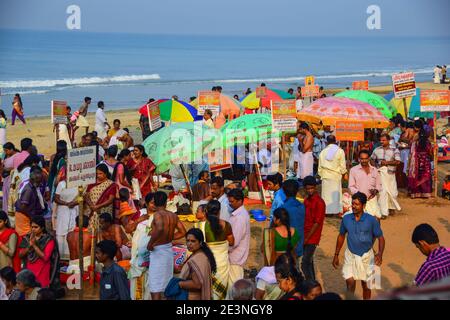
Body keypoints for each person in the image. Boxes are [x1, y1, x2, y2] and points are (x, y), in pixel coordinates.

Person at [332, 192, 385, 300]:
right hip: (350, 255)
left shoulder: (371, 220)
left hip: (367, 256)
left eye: (357, 204)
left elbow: (381, 238)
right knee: (350, 284)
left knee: (366, 286)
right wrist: (336, 254)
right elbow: (341, 236)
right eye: (353, 204)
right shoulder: (346, 219)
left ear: (364, 206)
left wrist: (380, 254)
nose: (354, 206)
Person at [146, 191, 186, 300]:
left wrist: (151, 243)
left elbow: (159, 228)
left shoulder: (157, 214)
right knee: (166, 285)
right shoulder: (173, 215)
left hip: (158, 251)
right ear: (166, 202)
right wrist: (169, 237)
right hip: (168, 251)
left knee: (155, 287)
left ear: (154, 203)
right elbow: (183, 232)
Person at [195, 200, 234, 300]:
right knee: (221, 294)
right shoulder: (227, 225)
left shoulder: (199, 226)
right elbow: (232, 242)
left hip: (206, 265)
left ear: (206, 211)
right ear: (219, 211)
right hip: (222, 266)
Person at [18, 216, 57, 288]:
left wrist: (34, 245)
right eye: (32, 227)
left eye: (36, 227)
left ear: (42, 228)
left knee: (41, 292)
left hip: (43, 270)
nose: (33, 229)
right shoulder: (27, 238)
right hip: (29, 270)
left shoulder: (48, 239)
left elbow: (45, 258)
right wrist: (29, 246)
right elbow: (20, 255)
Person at [178, 228, 216, 300]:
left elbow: (197, 284)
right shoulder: (200, 254)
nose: (189, 244)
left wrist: (179, 284)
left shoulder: (197, 259)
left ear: (200, 242)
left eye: (193, 241)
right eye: (188, 241)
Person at [371, 133, 401, 218]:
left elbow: (398, 161)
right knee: (382, 192)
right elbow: (371, 160)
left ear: (388, 141)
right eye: (381, 140)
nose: (381, 142)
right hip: (380, 173)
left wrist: (386, 163)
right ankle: (383, 212)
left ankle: (391, 208)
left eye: (383, 140)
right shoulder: (377, 150)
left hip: (390, 174)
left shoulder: (395, 150)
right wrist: (376, 166)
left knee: (393, 192)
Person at [227, 188, 250, 297]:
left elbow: (234, 242)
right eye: (229, 201)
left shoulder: (240, 217)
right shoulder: (238, 214)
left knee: (234, 290)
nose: (230, 204)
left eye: (232, 202)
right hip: (235, 257)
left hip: (235, 258)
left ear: (240, 201)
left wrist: (224, 250)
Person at [302, 176, 326, 281]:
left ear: (315, 187)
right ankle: (312, 283)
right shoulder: (306, 200)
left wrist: (307, 238)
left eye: (312, 188)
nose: (310, 190)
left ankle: (310, 284)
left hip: (312, 236)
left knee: (305, 263)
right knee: (309, 261)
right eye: (308, 188)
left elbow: (317, 223)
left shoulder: (320, 203)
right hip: (305, 233)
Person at [317, 135, 347, 215]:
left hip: (325, 176)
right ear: (335, 141)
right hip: (335, 176)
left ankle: (326, 211)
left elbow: (319, 168)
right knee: (335, 195)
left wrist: (322, 174)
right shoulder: (340, 151)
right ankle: (335, 211)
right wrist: (343, 173)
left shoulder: (323, 152)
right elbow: (343, 166)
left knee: (326, 195)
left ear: (327, 142)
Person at [348, 150, 382, 219]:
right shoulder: (353, 170)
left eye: (366, 158)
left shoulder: (375, 170)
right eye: (362, 159)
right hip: (359, 201)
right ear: (359, 159)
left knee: (377, 218)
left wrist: (376, 191)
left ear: (369, 158)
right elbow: (351, 186)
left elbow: (379, 185)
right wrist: (360, 195)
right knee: (360, 219)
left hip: (372, 199)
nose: (364, 161)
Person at [14, 166, 46, 237]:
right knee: (26, 238)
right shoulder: (29, 189)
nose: (39, 184)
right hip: (24, 217)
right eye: (38, 182)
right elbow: (23, 207)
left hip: (27, 216)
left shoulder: (33, 187)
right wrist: (32, 217)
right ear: (32, 179)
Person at [52, 177, 79, 260]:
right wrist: (66, 203)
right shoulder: (61, 184)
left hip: (74, 209)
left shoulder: (79, 183)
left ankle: (71, 258)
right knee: (61, 232)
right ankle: (61, 258)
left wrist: (74, 203)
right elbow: (56, 198)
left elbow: (83, 197)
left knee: (72, 232)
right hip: (63, 211)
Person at [281, 179, 305, 265]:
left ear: (283, 191)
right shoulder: (302, 206)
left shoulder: (283, 208)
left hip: (287, 247)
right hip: (299, 244)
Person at [408, 127, 433, 199]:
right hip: (425, 160)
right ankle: (425, 193)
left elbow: (412, 151)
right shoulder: (428, 142)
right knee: (425, 175)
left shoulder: (415, 142)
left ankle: (415, 193)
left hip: (417, 160)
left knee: (417, 175)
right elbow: (429, 152)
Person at [2, 142, 19, 213]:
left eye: (6, 150)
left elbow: (18, 167)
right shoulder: (5, 156)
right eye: (4, 150)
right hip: (6, 179)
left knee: (12, 197)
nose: (5, 152)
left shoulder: (17, 155)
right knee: (6, 197)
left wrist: (7, 169)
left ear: (12, 149)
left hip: (13, 179)